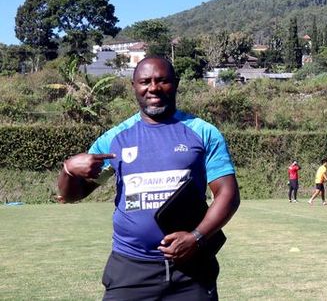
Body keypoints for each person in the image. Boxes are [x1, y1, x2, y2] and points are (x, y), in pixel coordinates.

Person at [57, 56, 240, 300]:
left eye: (162, 80)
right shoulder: (115, 140)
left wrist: (195, 238)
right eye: (145, 81)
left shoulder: (203, 132)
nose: (153, 88)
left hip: (191, 270)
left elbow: (228, 194)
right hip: (130, 268)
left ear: (175, 83)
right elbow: (72, 195)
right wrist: (68, 170)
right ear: (134, 86)